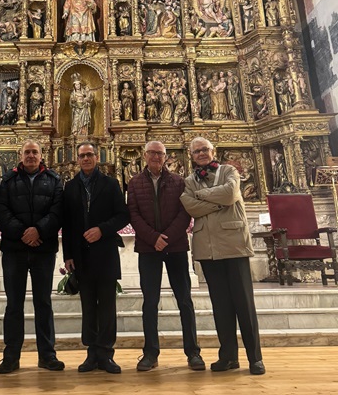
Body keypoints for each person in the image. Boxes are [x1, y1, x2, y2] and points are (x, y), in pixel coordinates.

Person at [180, 137, 265, 376]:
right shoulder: (188, 181)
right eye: (196, 151)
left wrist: (204, 196)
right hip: (208, 248)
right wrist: (216, 201)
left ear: (213, 151)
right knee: (221, 306)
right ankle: (228, 356)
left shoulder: (229, 170)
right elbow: (190, 206)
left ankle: (255, 358)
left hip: (233, 244)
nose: (201, 154)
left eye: (204, 149)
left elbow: (229, 195)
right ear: (191, 155)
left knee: (244, 304)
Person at [127, 141, 204, 372]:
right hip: (149, 249)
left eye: (160, 153)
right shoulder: (134, 182)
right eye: (151, 153)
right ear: (144, 155)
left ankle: (193, 352)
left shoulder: (178, 182)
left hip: (176, 247)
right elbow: (133, 214)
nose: (155, 157)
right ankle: (150, 352)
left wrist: (166, 237)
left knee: (184, 301)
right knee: (150, 302)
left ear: (165, 156)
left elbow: (185, 213)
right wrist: (153, 238)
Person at [0, 140, 64, 373]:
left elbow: (58, 211)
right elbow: (1, 211)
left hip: (43, 249)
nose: (31, 156)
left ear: (42, 155)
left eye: (35, 152)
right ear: (20, 155)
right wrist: (23, 233)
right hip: (15, 249)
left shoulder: (54, 180)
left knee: (43, 303)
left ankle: (47, 354)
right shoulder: (7, 179)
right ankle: (11, 356)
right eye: (27, 152)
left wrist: (39, 231)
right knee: (14, 304)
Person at [62, 142, 129, 374]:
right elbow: (68, 225)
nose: (86, 158)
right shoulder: (70, 187)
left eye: (90, 154)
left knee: (107, 306)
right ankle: (91, 353)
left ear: (96, 157)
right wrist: (68, 255)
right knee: (88, 306)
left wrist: (102, 229)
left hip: (105, 253)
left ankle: (106, 353)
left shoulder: (110, 184)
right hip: (81, 256)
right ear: (77, 159)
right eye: (82, 155)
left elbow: (123, 215)